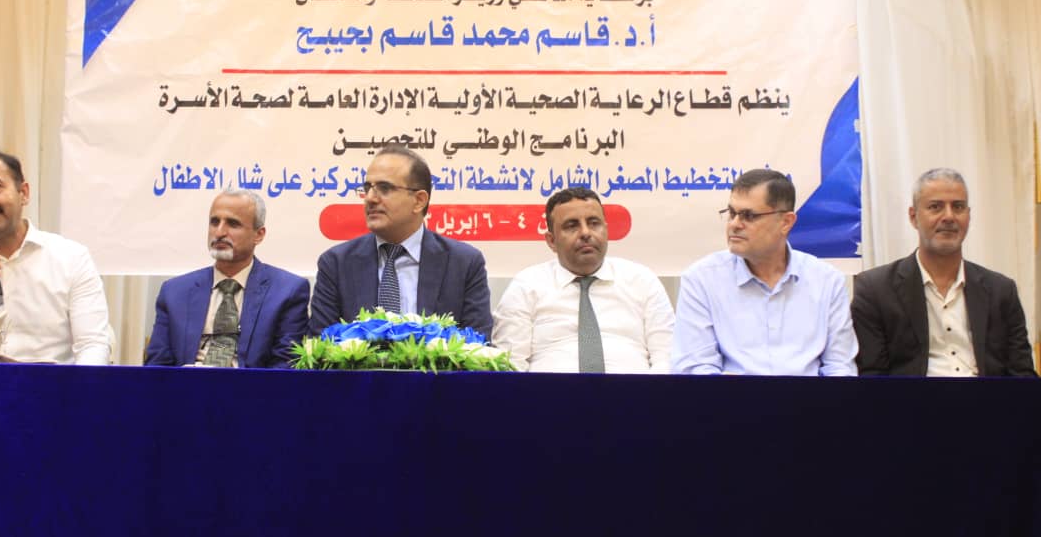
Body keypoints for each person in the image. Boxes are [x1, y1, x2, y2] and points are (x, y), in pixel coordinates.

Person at [671, 168, 857, 376]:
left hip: (810, 397)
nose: (734, 224)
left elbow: (840, 368)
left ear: (786, 222)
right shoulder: (702, 279)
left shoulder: (827, 281)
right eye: (731, 213)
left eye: (749, 216)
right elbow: (696, 368)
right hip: (729, 396)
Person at [851, 168, 1036, 377]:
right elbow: (872, 378)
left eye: (958, 207)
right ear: (913, 217)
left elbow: (1022, 375)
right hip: (912, 398)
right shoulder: (875, 290)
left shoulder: (1001, 291)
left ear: (968, 216)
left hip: (987, 397)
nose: (948, 216)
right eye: (935, 207)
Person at [309, 145, 491, 337]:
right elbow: (320, 343)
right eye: (367, 188)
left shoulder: (464, 264)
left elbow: (477, 344)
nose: (370, 198)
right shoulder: (336, 264)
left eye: (384, 188)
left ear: (419, 201)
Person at [0, 144, 114, 364]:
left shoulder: (71, 258)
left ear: (23, 193)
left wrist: (81, 385)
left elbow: (93, 345)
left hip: (54, 384)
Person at [492, 187, 673, 372]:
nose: (586, 233)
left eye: (594, 223)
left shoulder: (641, 280)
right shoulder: (526, 286)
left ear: (606, 230)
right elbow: (510, 365)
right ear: (551, 241)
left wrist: (651, 390)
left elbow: (667, 357)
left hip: (637, 390)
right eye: (572, 226)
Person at [145, 189, 309, 368]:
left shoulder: (287, 292)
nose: (219, 232)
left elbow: (285, 367)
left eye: (233, 224)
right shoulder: (174, 292)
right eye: (214, 222)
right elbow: (157, 367)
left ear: (258, 235)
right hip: (186, 384)